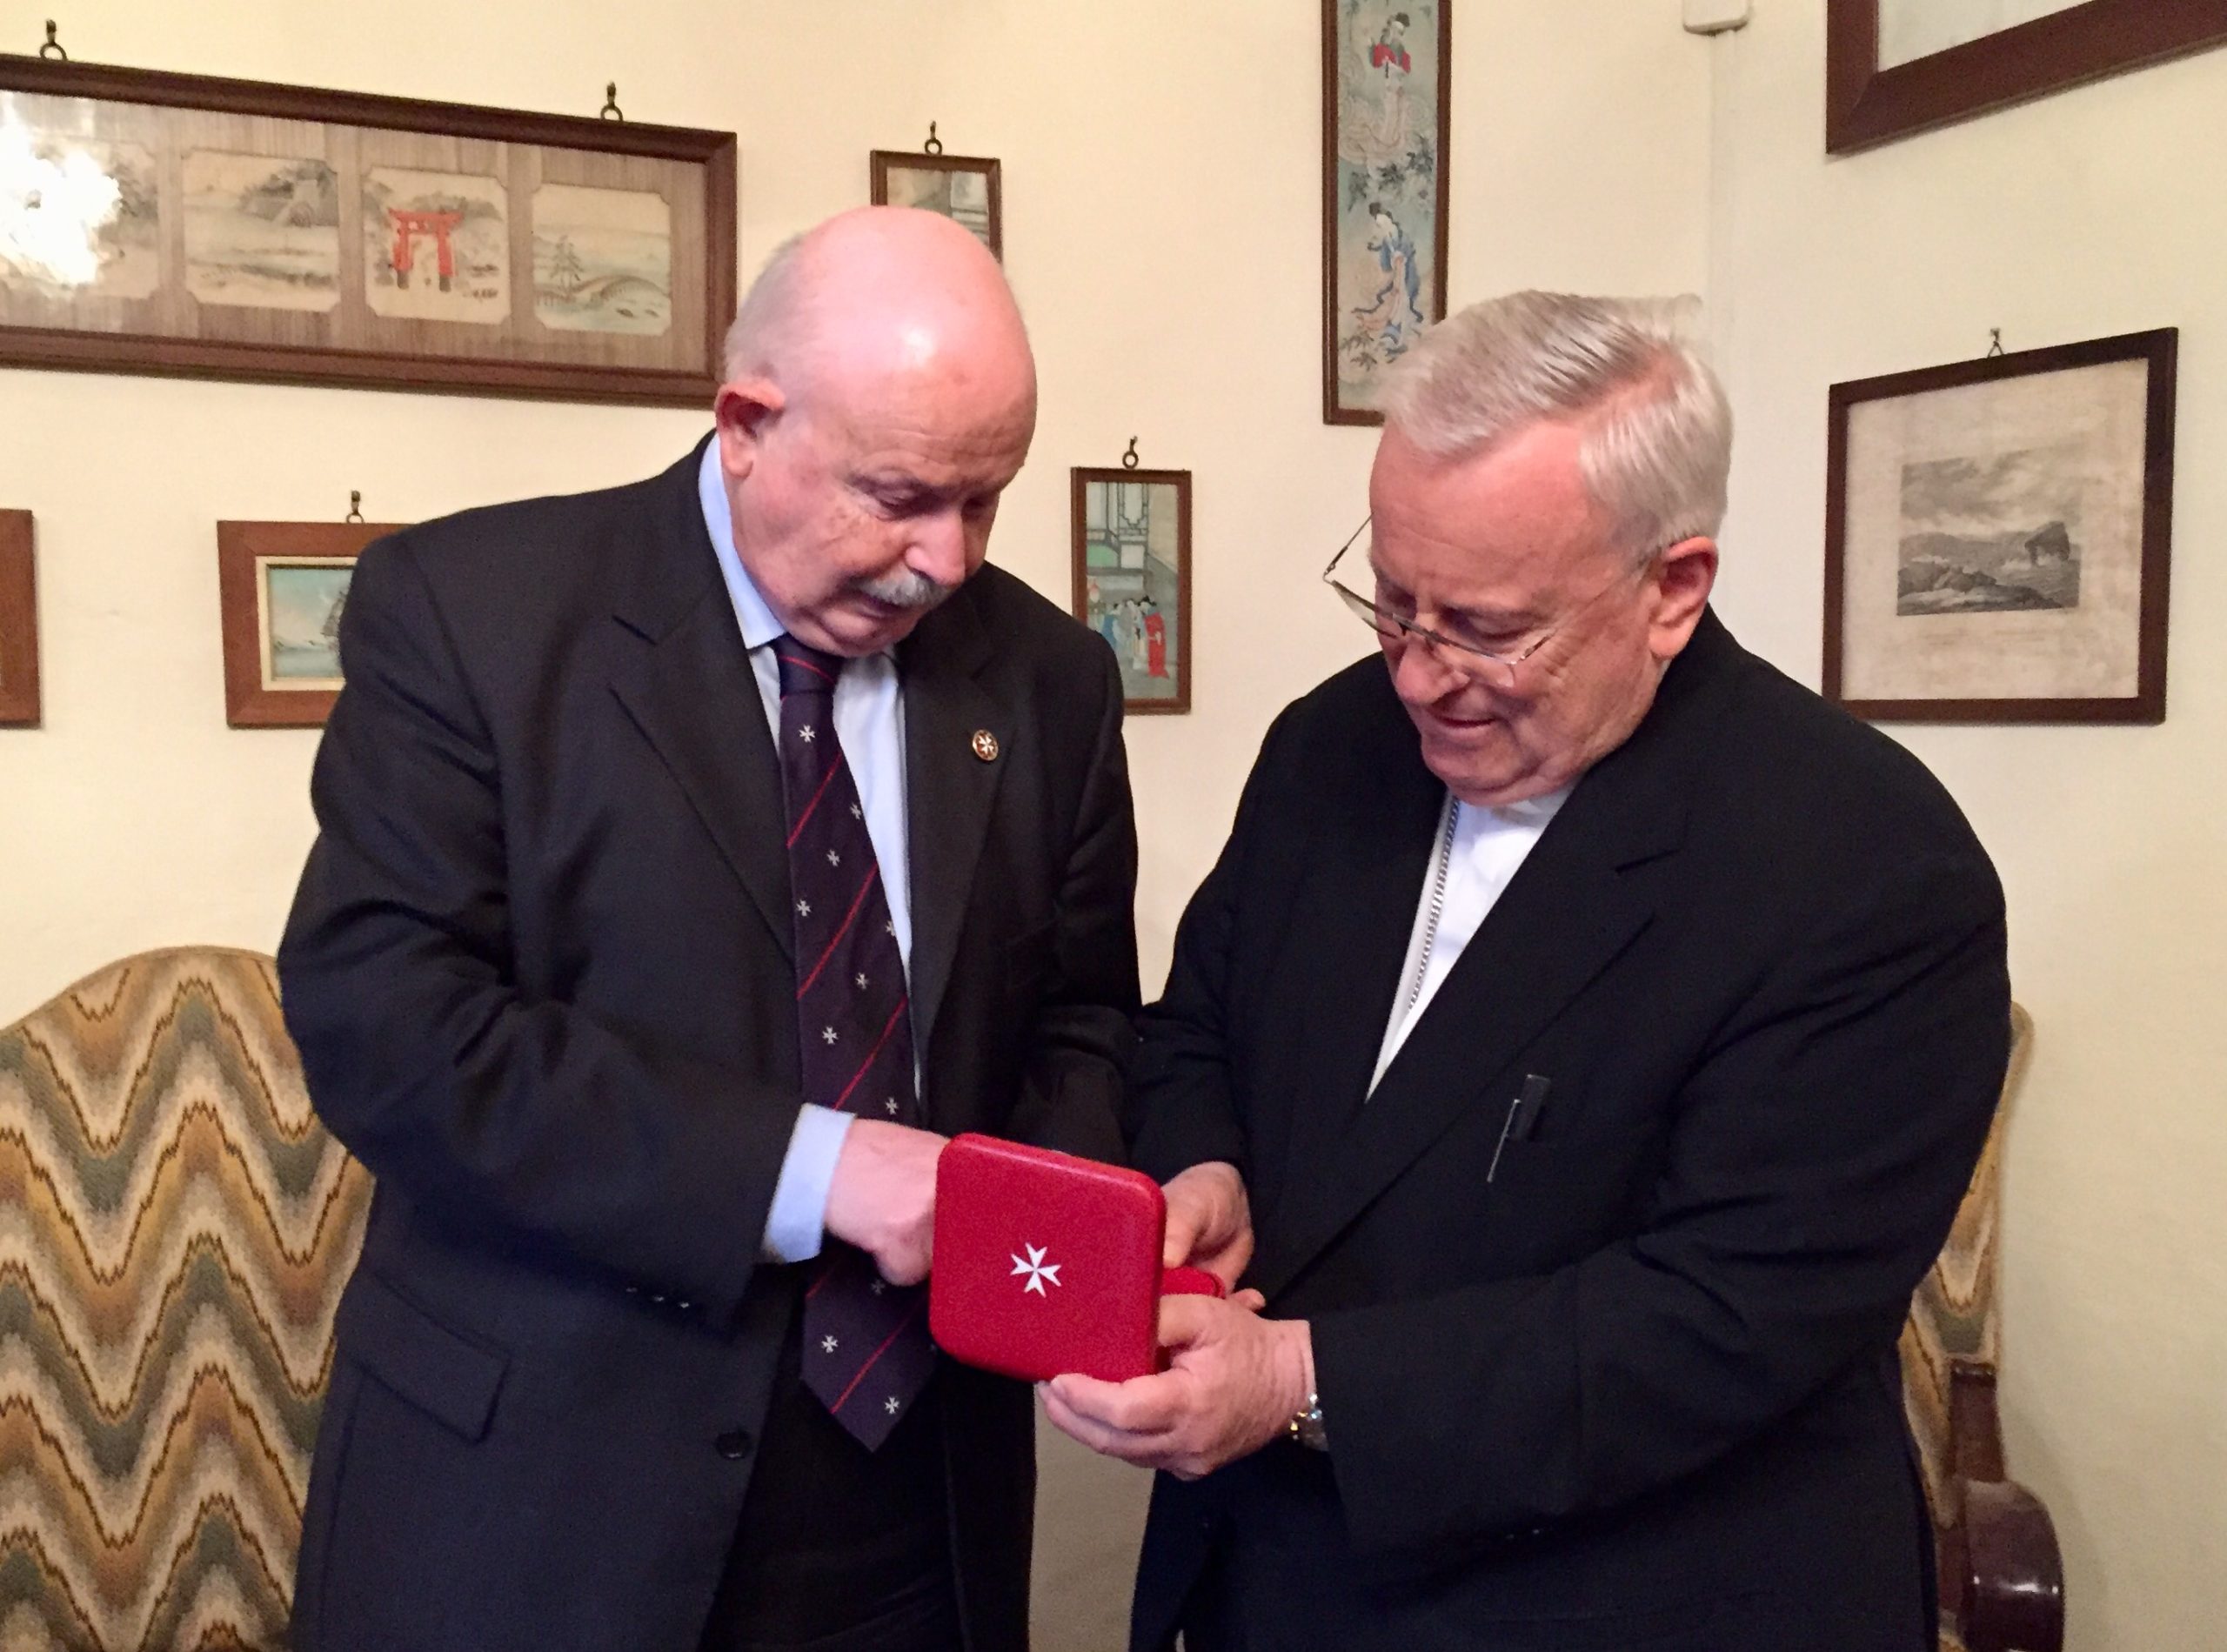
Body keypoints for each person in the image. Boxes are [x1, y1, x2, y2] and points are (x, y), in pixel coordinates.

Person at [1042, 291, 2010, 1651]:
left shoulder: (1867, 865)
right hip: (1278, 1582)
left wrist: (1303, 1380)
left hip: (1627, 1597)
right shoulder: (1332, 745)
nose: (1422, 674)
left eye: (1488, 628)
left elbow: (1720, 1319)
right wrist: (1202, 1169)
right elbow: (1199, 1023)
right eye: (1391, 600)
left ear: (1672, 590)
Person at [278, 207, 1140, 1652]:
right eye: (901, 495)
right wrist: (825, 1169)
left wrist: (1058, 1239)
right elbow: (394, 1028)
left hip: (913, 1511)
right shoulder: (472, 616)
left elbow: (1082, 1019)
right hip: (545, 1504)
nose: (944, 559)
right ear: (745, 422)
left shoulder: (1049, 676)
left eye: (985, 501)